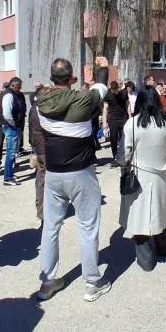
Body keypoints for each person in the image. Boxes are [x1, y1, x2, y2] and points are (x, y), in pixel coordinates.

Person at [35, 58, 111, 302]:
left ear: (51, 78)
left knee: (50, 227)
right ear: (72, 78)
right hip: (81, 172)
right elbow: (101, 88)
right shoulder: (84, 100)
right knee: (88, 227)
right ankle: (92, 282)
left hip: (53, 173)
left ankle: (47, 282)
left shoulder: (40, 101)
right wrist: (103, 67)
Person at [120, 89, 166, 271]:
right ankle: (164, 248)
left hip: (138, 176)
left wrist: (126, 167)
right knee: (158, 212)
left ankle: (146, 261)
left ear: (139, 102)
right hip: (159, 176)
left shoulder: (132, 124)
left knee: (140, 217)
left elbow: (125, 153)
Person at [0, 77, 26, 185]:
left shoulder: (15, 94)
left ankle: (9, 174)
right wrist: (14, 124)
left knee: (12, 152)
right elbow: (7, 114)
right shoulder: (9, 95)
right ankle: (8, 178)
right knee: (11, 152)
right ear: (13, 85)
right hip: (10, 127)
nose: (20, 88)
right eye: (19, 86)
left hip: (13, 126)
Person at [29, 85, 48, 222]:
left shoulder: (35, 107)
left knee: (41, 178)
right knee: (43, 179)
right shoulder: (41, 109)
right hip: (43, 148)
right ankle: (42, 211)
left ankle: (41, 207)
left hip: (39, 146)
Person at [102, 81, 129, 168]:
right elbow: (105, 109)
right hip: (113, 119)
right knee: (113, 139)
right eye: (113, 90)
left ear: (118, 88)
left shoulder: (124, 94)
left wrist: (130, 118)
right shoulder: (108, 95)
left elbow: (128, 105)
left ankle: (123, 157)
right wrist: (104, 122)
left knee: (123, 139)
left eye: (116, 90)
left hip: (123, 118)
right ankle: (115, 157)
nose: (115, 92)